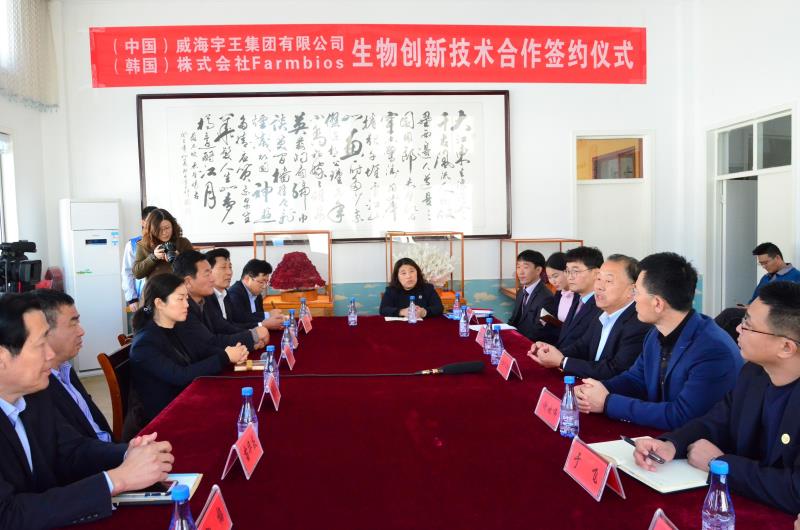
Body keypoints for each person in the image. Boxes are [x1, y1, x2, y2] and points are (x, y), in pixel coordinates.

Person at [0, 293, 175, 529]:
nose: (50, 355)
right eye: (40, 345)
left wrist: (128, 454)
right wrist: (115, 480)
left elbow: (71, 450)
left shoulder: (33, 395)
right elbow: (8, 515)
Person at [633, 281, 800, 514]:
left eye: (748, 325)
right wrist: (671, 444)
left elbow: (794, 490)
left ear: (786, 347)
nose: (738, 329)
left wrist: (720, 465)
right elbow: (717, 422)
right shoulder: (753, 373)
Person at [575, 252, 742, 430]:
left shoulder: (713, 350)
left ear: (657, 303)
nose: (633, 298)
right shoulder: (655, 334)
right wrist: (597, 389)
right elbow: (636, 379)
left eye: (636, 292)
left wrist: (608, 402)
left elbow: (681, 415)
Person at [129, 274, 249, 426]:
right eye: (180, 299)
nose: (187, 304)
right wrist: (225, 357)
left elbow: (200, 351)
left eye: (187, 298)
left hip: (186, 400)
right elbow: (180, 375)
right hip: (163, 418)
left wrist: (231, 353)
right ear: (159, 303)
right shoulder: (144, 344)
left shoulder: (176, 327)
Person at [528, 254, 652, 380]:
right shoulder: (601, 313)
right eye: (598, 279)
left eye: (608, 281)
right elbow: (582, 346)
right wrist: (549, 352)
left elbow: (615, 370)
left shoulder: (639, 323)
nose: (598, 286)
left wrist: (562, 361)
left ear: (632, 290)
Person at [31, 289, 113, 442]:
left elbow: (96, 430)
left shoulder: (65, 368)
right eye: (73, 323)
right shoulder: (37, 387)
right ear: (44, 331)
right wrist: (124, 452)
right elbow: (71, 448)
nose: (81, 331)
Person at [172, 251, 267, 355]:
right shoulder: (182, 310)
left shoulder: (204, 300)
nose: (212, 279)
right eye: (207, 274)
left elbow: (223, 327)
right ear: (188, 282)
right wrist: (252, 336)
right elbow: (210, 343)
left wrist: (252, 337)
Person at [716, 242, 800, 341]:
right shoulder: (765, 278)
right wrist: (747, 306)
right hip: (756, 314)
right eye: (761, 264)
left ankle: (704, 337)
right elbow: (754, 300)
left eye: (766, 262)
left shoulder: (796, 277)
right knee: (733, 325)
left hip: (775, 316)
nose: (764, 266)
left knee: (730, 315)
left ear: (777, 258)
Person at [205, 250, 284, 331]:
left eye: (230, 267)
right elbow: (240, 319)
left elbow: (230, 326)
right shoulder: (233, 294)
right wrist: (264, 321)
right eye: (223, 267)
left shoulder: (225, 294)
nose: (229, 272)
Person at [556, 246, 604, 350]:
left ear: (596, 273)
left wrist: (560, 357)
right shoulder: (578, 298)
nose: (570, 277)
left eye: (575, 271)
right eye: (567, 271)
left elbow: (587, 346)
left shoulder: (601, 306)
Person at [132, 208, 193, 280]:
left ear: (173, 226)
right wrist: (153, 257)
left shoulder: (183, 243)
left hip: (180, 286)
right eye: (159, 229)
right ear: (151, 229)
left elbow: (196, 267)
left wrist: (179, 259)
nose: (164, 233)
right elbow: (137, 274)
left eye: (167, 228)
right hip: (154, 286)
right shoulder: (144, 244)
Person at [507, 250, 553, 341]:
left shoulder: (546, 297)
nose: (520, 272)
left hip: (530, 343)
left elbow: (539, 331)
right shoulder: (521, 291)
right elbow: (514, 319)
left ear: (538, 270)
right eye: (518, 267)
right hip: (518, 339)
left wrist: (517, 341)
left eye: (525, 267)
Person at [227, 258, 284, 329]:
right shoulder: (234, 294)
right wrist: (268, 315)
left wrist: (274, 321)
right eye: (261, 282)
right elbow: (241, 320)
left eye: (266, 282)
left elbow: (257, 319)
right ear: (247, 279)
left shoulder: (257, 295)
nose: (264, 286)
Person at [379, 258, 444, 318]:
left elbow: (439, 308)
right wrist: (401, 312)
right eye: (403, 273)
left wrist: (424, 312)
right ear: (397, 277)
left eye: (412, 271)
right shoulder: (391, 290)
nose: (408, 276)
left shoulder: (428, 288)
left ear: (417, 273)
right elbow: (383, 310)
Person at [121, 205, 157, 312]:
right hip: (141, 297)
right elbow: (127, 272)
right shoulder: (133, 244)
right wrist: (132, 299)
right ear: (143, 222)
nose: (154, 224)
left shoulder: (165, 242)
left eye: (157, 220)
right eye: (150, 220)